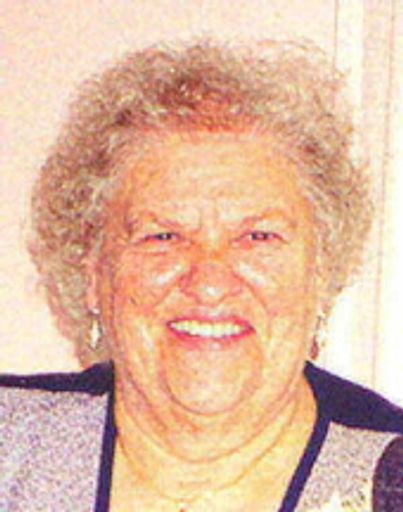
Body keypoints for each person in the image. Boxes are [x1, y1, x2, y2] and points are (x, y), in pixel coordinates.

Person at [0, 39, 402, 512]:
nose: (210, 283)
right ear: (92, 273)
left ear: (320, 273)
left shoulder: (389, 481)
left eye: (257, 236)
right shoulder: (13, 447)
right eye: (163, 236)